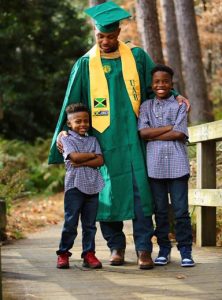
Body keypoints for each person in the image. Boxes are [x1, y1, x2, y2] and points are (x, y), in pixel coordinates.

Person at [49, 1, 189, 270]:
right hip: (103, 141)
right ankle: (115, 246)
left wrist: (174, 95)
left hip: (135, 140)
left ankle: (144, 249)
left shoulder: (136, 57)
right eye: (101, 36)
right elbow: (72, 103)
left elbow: (155, 87)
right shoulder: (85, 65)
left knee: (141, 194)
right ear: (95, 33)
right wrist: (64, 132)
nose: (105, 41)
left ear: (119, 33)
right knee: (107, 193)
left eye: (111, 36)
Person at [138, 64, 195, 267]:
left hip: (178, 165)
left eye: (165, 81)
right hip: (154, 167)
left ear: (172, 84)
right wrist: (171, 127)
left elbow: (180, 134)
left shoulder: (180, 105)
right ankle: (163, 249)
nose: (161, 85)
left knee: (181, 211)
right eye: (157, 82)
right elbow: (143, 133)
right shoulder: (145, 107)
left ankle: (186, 250)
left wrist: (157, 133)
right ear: (152, 85)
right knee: (160, 210)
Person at [56, 103, 104, 269]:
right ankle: (63, 253)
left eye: (86, 121)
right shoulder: (66, 139)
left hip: (93, 185)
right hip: (74, 187)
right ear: (70, 124)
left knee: (90, 224)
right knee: (71, 222)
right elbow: (74, 158)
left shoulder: (93, 139)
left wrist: (86, 159)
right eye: (78, 121)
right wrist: (92, 156)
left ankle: (89, 254)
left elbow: (101, 160)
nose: (83, 124)